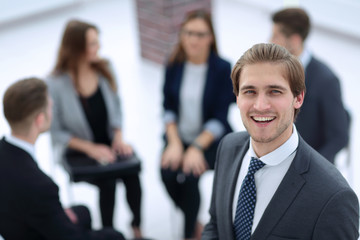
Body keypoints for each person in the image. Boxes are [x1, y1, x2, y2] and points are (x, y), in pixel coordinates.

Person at [202, 43, 359, 239]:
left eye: (274, 91)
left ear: (298, 98)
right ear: (237, 97)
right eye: (249, 91)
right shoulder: (228, 147)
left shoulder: (333, 197)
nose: (260, 106)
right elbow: (216, 225)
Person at [47, 20, 142, 238]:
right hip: (77, 151)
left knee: (132, 172)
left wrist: (118, 136)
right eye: (92, 43)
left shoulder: (105, 68)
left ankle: (136, 228)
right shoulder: (55, 83)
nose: (98, 47)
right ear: (76, 47)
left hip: (108, 142)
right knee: (107, 181)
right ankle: (108, 233)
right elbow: (56, 131)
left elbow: (117, 108)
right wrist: (91, 149)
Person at [0, 78, 125, 240]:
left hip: (16, 225)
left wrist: (55, 212)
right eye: (51, 106)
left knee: (83, 212)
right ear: (40, 120)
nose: (52, 109)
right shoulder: (41, 186)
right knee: (114, 235)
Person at [161, 10, 234, 240]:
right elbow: (167, 107)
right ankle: (194, 224)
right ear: (182, 35)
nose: (194, 39)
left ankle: (189, 234)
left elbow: (220, 117)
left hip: (210, 139)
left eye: (201, 34)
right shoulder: (174, 64)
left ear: (211, 37)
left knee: (190, 174)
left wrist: (195, 147)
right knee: (166, 173)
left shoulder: (222, 68)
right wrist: (174, 142)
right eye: (189, 33)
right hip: (178, 135)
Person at [270, 8, 349, 164]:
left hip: (309, 167)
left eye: (276, 36)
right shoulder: (273, 72)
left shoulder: (326, 80)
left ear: (294, 40)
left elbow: (339, 137)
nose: (270, 41)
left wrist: (312, 166)